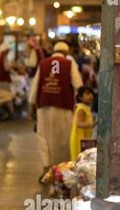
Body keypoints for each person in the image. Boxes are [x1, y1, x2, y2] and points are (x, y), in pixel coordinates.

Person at [29, 41, 83, 179]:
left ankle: (46, 167)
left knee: (43, 137)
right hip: (63, 106)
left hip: (43, 106)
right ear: (66, 52)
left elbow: (34, 87)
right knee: (63, 139)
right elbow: (78, 84)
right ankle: (61, 169)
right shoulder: (69, 63)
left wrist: (31, 105)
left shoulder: (43, 63)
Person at [70, 86, 95, 160]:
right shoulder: (81, 109)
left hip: (84, 137)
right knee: (79, 160)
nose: (90, 96)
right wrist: (91, 124)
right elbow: (78, 123)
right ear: (80, 97)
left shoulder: (85, 108)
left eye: (91, 93)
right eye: (87, 94)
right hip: (79, 139)